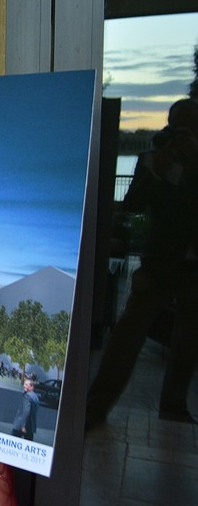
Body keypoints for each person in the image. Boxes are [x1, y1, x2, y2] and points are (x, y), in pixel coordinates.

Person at [86, 98, 198, 429]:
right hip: (159, 265)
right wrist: (157, 172)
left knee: (188, 341)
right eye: (174, 125)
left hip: (192, 267)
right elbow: (133, 202)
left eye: (186, 126)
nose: (178, 131)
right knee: (127, 336)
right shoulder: (154, 158)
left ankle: (174, 405)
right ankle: (95, 407)